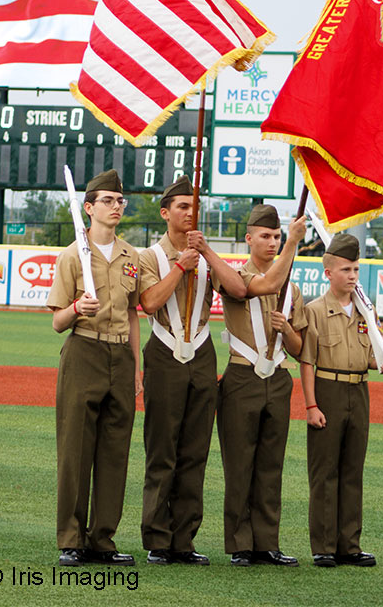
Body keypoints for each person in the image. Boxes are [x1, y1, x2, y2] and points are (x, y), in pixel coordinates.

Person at [139, 175, 246, 565]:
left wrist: (208, 253)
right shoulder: (150, 256)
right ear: (166, 213)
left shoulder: (204, 254)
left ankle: (184, 539)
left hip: (201, 354)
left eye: (193, 206)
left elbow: (236, 289)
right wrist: (180, 267)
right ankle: (157, 537)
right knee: (162, 449)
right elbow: (149, 302)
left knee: (195, 451)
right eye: (182, 207)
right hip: (165, 352)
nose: (189, 213)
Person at [47, 169, 142, 567]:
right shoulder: (72, 255)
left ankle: (102, 538)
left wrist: (136, 367)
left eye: (120, 200)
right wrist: (75, 309)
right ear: (88, 208)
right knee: (75, 450)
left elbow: (134, 314)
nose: (116, 206)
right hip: (83, 352)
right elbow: (56, 322)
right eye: (107, 200)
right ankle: (72, 537)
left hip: (120, 356)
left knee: (115, 452)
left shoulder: (131, 256)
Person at [300, 234, 383, 568]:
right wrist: (311, 405)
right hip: (328, 388)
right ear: (328, 273)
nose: (353, 275)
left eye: (356, 268)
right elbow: (307, 361)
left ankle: (350, 545)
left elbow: (371, 356)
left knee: (352, 470)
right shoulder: (314, 310)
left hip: (359, 390)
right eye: (346, 269)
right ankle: (324, 546)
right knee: (324, 471)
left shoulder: (365, 311)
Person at [216, 205, 308, 567]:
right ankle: (240, 542)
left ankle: (267, 542)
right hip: (242, 376)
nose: (272, 242)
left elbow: (301, 350)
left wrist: (287, 330)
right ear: (249, 238)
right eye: (265, 236)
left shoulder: (293, 290)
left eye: (277, 237)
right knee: (239, 464)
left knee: (271, 465)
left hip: (278, 377)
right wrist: (294, 245)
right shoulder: (233, 276)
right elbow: (254, 287)